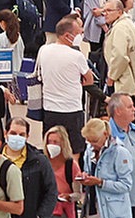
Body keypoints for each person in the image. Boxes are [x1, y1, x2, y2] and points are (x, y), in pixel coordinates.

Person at [35, 15, 93, 154]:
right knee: (75, 150)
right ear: (67, 35)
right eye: (79, 33)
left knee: (51, 149)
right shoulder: (76, 56)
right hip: (72, 109)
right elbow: (89, 79)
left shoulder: (44, 50)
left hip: (49, 108)